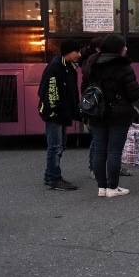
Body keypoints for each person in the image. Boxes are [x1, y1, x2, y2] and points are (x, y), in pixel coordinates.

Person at [82, 34, 139, 198]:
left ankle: (101, 187)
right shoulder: (124, 67)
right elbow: (134, 94)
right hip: (119, 114)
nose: (126, 49)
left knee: (99, 151)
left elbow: (85, 90)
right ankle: (113, 187)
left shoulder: (91, 64)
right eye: (124, 46)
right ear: (118, 48)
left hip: (96, 114)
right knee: (114, 151)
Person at [38, 39, 82, 191]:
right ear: (68, 52)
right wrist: (55, 110)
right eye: (77, 51)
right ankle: (54, 179)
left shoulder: (68, 67)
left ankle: (49, 175)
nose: (79, 55)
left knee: (60, 146)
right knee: (55, 147)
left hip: (62, 113)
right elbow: (48, 92)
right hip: (55, 114)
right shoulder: (55, 67)